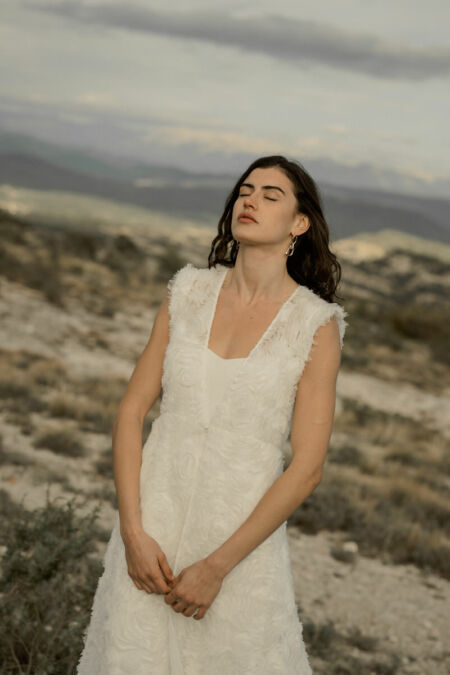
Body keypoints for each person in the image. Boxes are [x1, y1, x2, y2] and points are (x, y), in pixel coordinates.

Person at [77, 154, 348, 674]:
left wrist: (218, 567)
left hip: (238, 545)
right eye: (245, 190)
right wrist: (133, 532)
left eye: (270, 195)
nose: (250, 200)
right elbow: (131, 412)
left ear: (299, 223)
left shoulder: (315, 324)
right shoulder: (187, 292)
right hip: (152, 530)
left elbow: (307, 468)